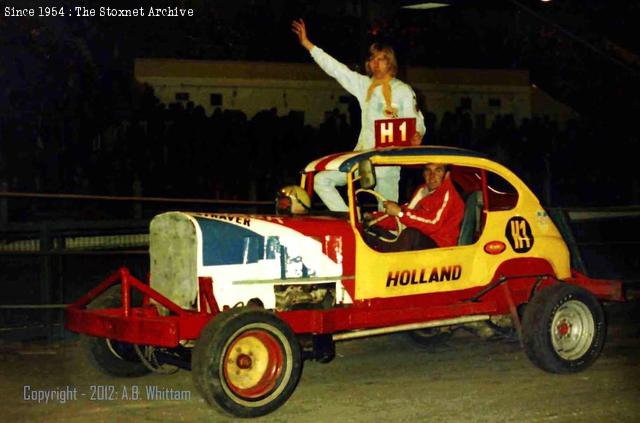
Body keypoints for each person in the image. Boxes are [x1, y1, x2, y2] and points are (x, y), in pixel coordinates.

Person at [292, 19, 426, 212]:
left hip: (388, 163)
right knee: (322, 181)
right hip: (361, 157)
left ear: (390, 62)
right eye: (372, 59)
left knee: (388, 215)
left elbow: (417, 122)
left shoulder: (403, 90)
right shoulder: (364, 86)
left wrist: (417, 135)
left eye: (381, 59)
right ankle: (351, 220)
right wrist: (308, 45)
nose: (375, 63)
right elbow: (337, 70)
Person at [364, 163, 464, 252]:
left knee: (411, 234)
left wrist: (400, 213)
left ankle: (393, 266)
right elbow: (405, 218)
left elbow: (433, 224)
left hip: (439, 249)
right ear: (423, 174)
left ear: (447, 175)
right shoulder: (423, 190)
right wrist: (374, 217)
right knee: (371, 229)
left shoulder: (448, 195)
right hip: (415, 243)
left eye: (438, 171)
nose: (432, 176)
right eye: (428, 170)